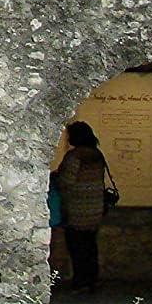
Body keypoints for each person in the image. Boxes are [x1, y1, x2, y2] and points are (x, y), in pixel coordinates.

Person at [55, 120, 109, 293]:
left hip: (77, 207)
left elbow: (67, 181)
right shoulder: (96, 154)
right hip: (95, 206)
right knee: (90, 245)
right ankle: (92, 279)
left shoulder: (74, 156)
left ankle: (80, 281)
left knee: (76, 246)